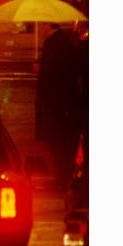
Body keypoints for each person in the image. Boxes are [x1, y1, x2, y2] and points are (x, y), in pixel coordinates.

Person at [35, 25, 87, 187]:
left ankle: (63, 177)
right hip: (61, 108)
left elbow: (57, 78)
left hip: (60, 109)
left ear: (47, 25)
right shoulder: (58, 43)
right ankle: (63, 176)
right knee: (59, 144)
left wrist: (41, 68)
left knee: (60, 145)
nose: (39, 31)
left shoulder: (57, 45)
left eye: (40, 26)